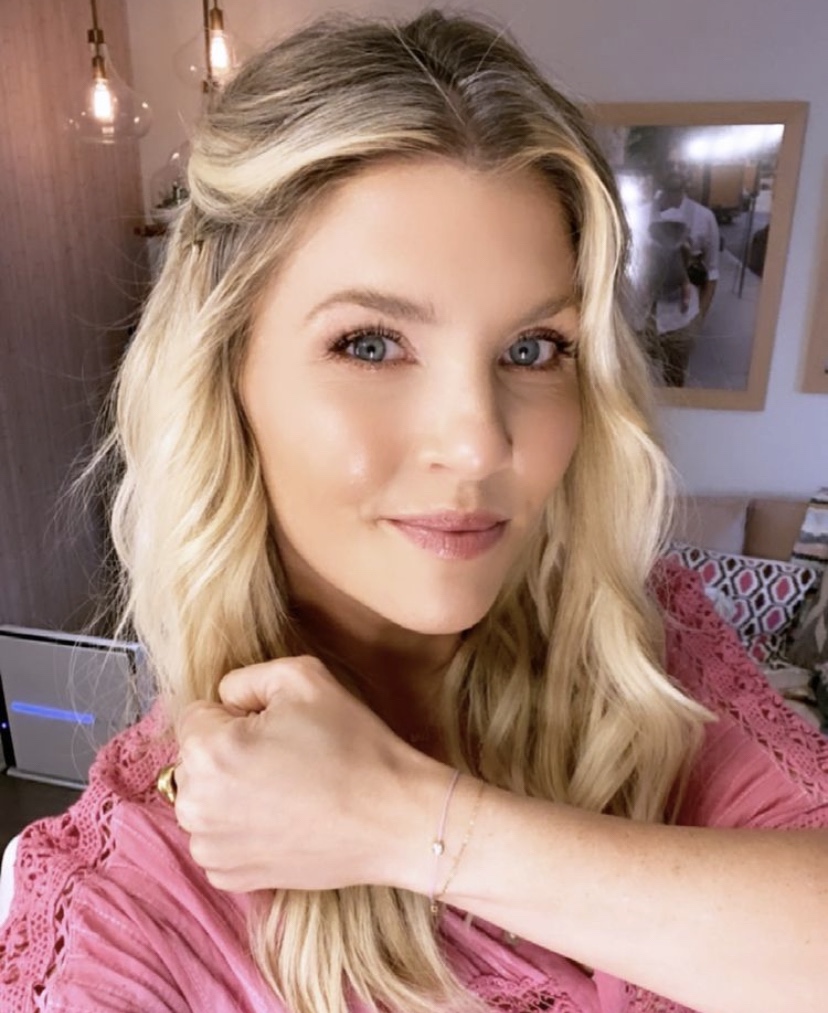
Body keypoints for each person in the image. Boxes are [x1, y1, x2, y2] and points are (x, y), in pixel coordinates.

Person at [1, 10, 826, 1013]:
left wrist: (406, 822)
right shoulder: (127, 907)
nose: (478, 444)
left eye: (532, 349)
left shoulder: (638, 660)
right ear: (223, 375)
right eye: (370, 343)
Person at [644, 153, 721, 387]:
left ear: (689, 172)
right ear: (659, 170)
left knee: (675, 383)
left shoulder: (704, 218)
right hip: (641, 318)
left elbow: (712, 273)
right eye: (669, 164)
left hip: (681, 320)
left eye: (682, 164)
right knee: (635, 384)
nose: (675, 169)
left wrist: (698, 319)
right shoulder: (638, 214)